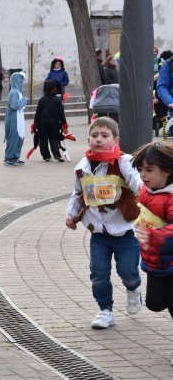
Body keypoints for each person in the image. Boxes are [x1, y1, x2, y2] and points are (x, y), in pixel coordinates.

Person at [65, 117, 143, 329]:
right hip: (98, 234)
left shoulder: (124, 162)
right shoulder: (82, 167)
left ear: (115, 139)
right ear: (88, 138)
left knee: (128, 272)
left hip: (125, 231)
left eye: (105, 135)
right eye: (95, 135)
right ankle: (105, 310)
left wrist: (148, 197)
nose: (99, 139)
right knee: (98, 274)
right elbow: (77, 193)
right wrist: (71, 214)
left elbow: (137, 183)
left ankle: (134, 288)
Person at [131, 141, 173, 322]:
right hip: (154, 258)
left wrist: (155, 236)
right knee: (154, 303)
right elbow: (144, 213)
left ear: (166, 170)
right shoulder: (145, 190)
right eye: (140, 169)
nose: (142, 175)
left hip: (170, 258)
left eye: (149, 170)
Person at [32, 80, 67, 162]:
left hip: (42, 123)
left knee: (43, 139)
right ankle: (56, 154)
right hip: (54, 123)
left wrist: (35, 123)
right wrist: (64, 124)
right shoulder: (57, 100)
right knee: (54, 138)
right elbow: (61, 113)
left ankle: (46, 155)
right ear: (55, 89)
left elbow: (38, 113)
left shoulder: (42, 100)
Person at [3, 71, 28, 166]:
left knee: (19, 138)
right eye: (21, 80)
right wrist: (24, 100)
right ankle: (9, 157)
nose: (22, 82)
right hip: (14, 120)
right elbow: (15, 105)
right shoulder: (14, 92)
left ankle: (15, 157)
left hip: (19, 119)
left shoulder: (18, 92)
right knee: (13, 138)